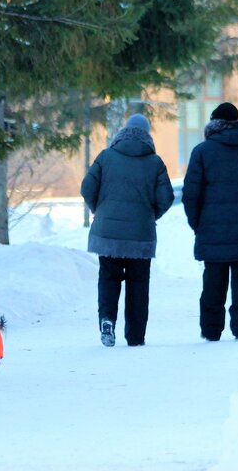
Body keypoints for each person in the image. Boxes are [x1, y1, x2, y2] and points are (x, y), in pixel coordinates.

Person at [181, 101, 238, 341]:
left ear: (214, 122)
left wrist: (198, 222)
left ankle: (212, 331)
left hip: (212, 231)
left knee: (213, 282)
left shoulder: (202, 152)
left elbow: (190, 193)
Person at [80, 113, 174, 347]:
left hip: (108, 233)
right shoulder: (155, 162)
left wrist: (98, 210)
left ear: (123, 131)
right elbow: (166, 198)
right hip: (140, 236)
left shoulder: (106, 156)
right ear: (147, 135)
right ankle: (135, 336)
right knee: (138, 284)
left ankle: (107, 320)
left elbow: (87, 187)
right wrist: (151, 215)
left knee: (109, 279)